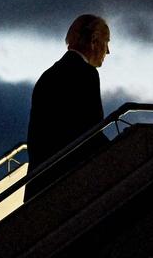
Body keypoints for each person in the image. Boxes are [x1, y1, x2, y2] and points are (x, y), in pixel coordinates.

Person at [24, 14, 111, 202]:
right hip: (70, 179)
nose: (108, 51)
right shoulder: (86, 74)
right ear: (94, 41)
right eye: (106, 42)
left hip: (40, 181)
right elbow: (91, 129)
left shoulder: (48, 76)